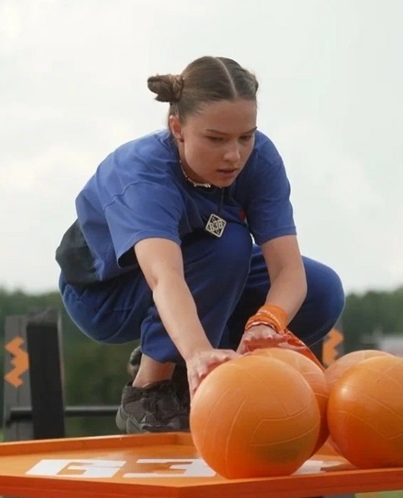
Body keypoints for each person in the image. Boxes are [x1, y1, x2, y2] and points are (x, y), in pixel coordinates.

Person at [56, 55, 345, 434]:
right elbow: (164, 277)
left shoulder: (260, 160)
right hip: (107, 295)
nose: (234, 155)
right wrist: (195, 354)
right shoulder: (142, 174)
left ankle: (220, 366)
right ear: (177, 128)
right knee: (226, 243)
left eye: (246, 136)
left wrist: (266, 320)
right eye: (216, 139)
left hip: (204, 271)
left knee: (321, 290)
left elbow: (288, 271)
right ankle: (151, 388)